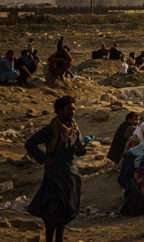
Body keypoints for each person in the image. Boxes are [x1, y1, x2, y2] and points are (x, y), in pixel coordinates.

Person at [25, 96, 88, 242]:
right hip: (54, 175)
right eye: (69, 109)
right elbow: (30, 144)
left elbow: (77, 150)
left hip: (70, 175)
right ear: (59, 111)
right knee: (52, 211)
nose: (72, 111)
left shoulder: (74, 128)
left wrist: (82, 149)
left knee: (65, 210)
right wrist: (45, 160)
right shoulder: (50, 129)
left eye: (73, 108)